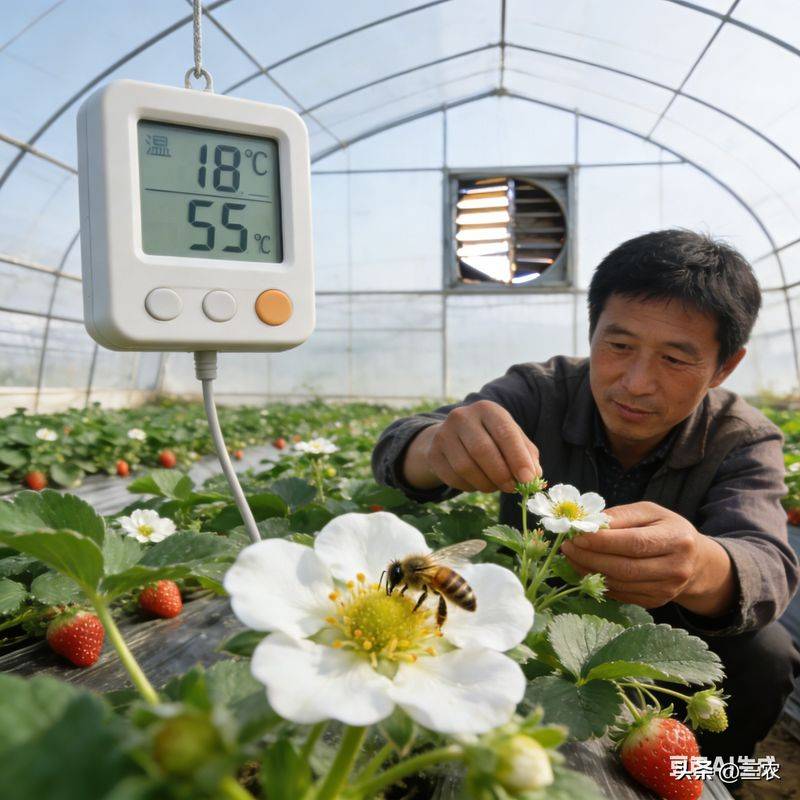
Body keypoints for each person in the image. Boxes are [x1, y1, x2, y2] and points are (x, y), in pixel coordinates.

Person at [372, 229, 800, 760]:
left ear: (724, 366)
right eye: (618, 346)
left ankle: (718, 777)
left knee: (768, 654)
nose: (637, 382)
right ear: (592, 330)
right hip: (532, 606)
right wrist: (434, 445)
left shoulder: (742, 436)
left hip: (665, 631)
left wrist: (697, 566)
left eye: (674, 359)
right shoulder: (536, 391)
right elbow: (397, 445)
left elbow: (768, 564)